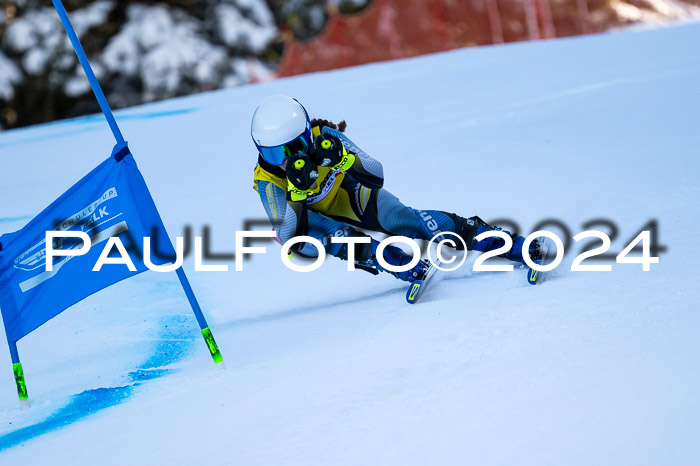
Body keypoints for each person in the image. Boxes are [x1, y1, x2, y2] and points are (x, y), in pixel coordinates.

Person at [251, 95, 540, 282]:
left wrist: (344, 159)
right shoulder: (267, 179)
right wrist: (298, 195)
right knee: (332, 235)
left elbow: (376, 175)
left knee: (404, 219)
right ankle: (395, 261)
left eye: (295, 148)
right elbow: (289, 237)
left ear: (307, 134)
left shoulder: (324, 136)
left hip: (345, 194)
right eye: (274, 155)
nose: (286, 161)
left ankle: (505, 242)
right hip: (309, 218)